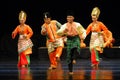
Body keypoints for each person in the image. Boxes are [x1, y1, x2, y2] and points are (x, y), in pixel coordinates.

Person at [57, 10, 86, 74]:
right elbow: (58, 33)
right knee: (69, 55)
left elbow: (83, 31)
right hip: (69, 39)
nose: (69, 18)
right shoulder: (64, 25)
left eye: (70, 17)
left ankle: (74, 58)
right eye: (68, 17)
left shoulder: (77, 24)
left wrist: (82, 37)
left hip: (75, 38)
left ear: (73, 18)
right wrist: (64, 31)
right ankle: (70, 71)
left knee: (75, 47)